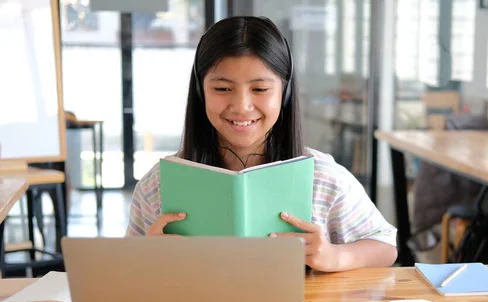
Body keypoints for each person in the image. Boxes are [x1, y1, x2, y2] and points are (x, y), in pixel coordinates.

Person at [126, 16, 398, 272]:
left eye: (260, 89)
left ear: (284, 92)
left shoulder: (323, 176)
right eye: (222, 89)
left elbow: (385, 245)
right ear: (200, 92)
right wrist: (148, 258)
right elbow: (125, 266)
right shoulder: (158, 185)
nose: (242, 106)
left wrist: (333, 255)